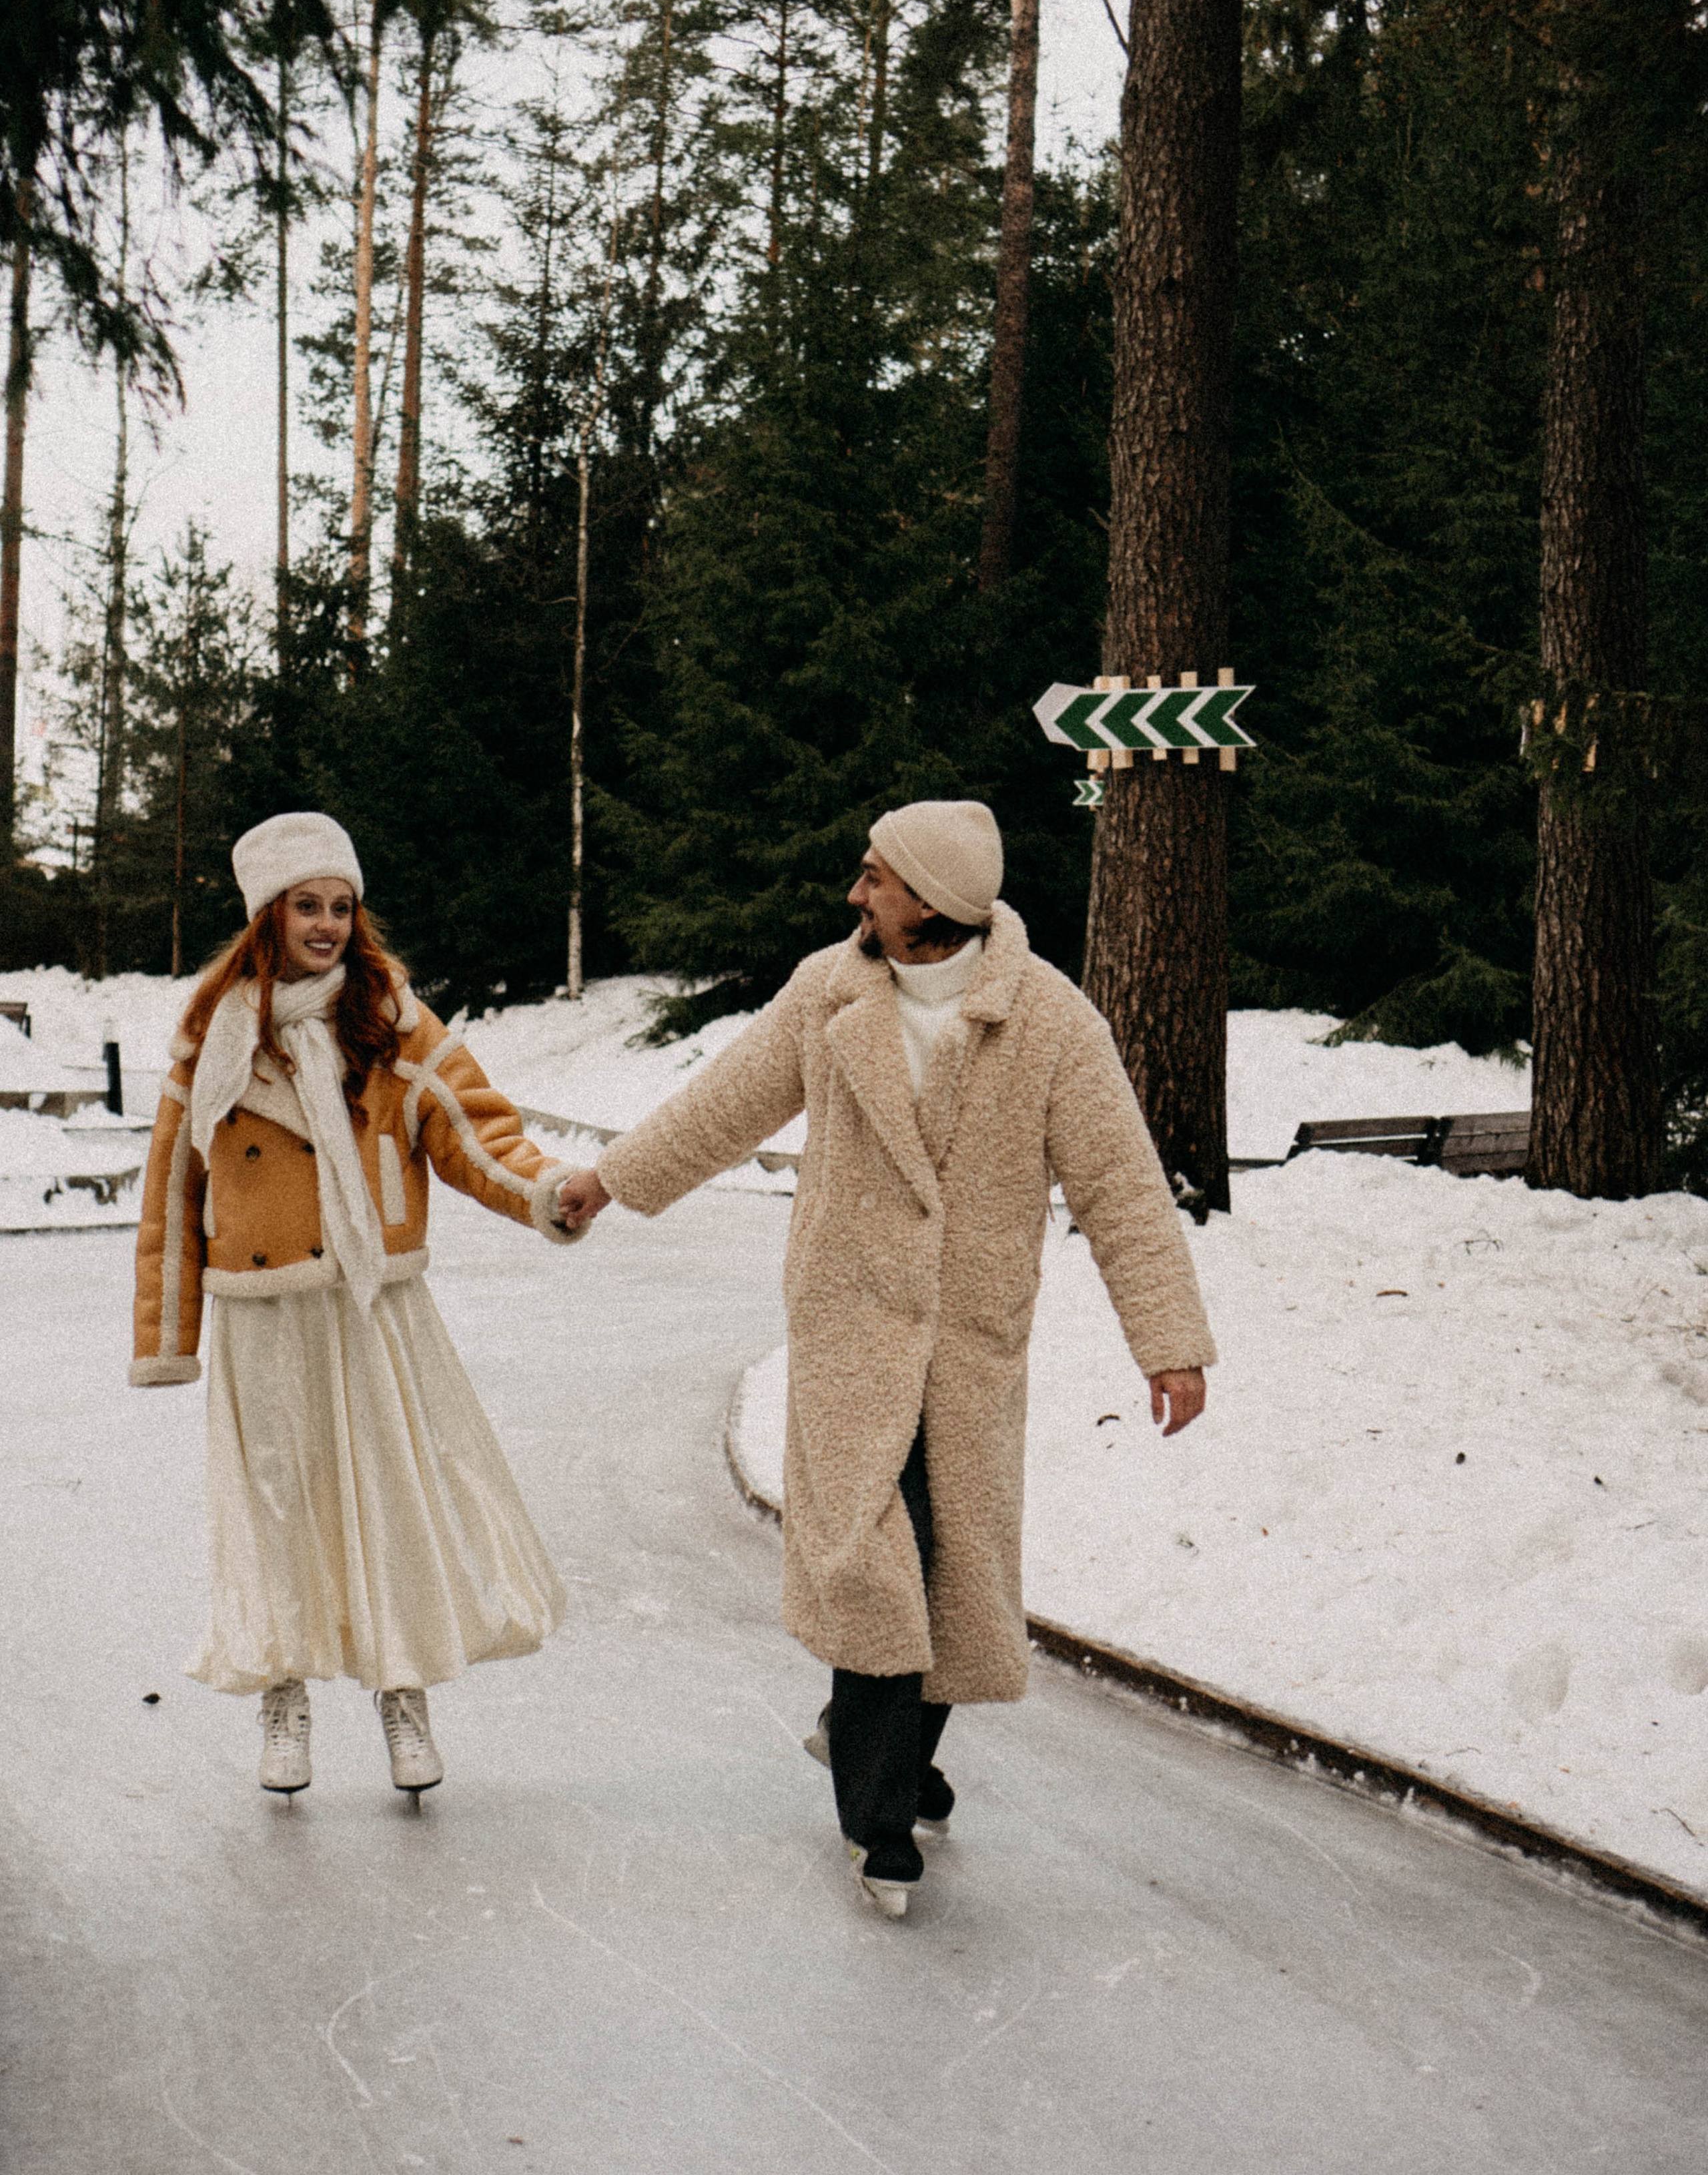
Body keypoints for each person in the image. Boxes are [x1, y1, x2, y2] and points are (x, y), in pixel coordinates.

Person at [555, 799, 1216, 1918]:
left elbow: (1122, 1189)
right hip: (851, 1333)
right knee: (868, 1562)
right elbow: (728, 1105)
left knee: (952, 1569)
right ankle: (878, 1819)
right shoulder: (831, 992)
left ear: (936, 902)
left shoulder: (1052, 1023)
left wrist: (1172, 1344)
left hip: (968, 1345)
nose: (855, 895)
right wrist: (611, 1180)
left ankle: (886, 1750)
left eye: (876, 878)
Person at [131, 812, 580, 1801]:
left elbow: (475, 1132)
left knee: (390, 1501)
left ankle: (402, 1692)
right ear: (267, 916)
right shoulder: (212, 1041)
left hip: (371, 1305)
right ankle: (283, 1699)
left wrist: (544, 1191)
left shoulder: (392, 1021)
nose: (328, 925)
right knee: (278, 1506)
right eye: (308, 906)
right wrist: (169, 1337)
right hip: (262, 1310)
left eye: (342, 906)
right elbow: (172, 1191)